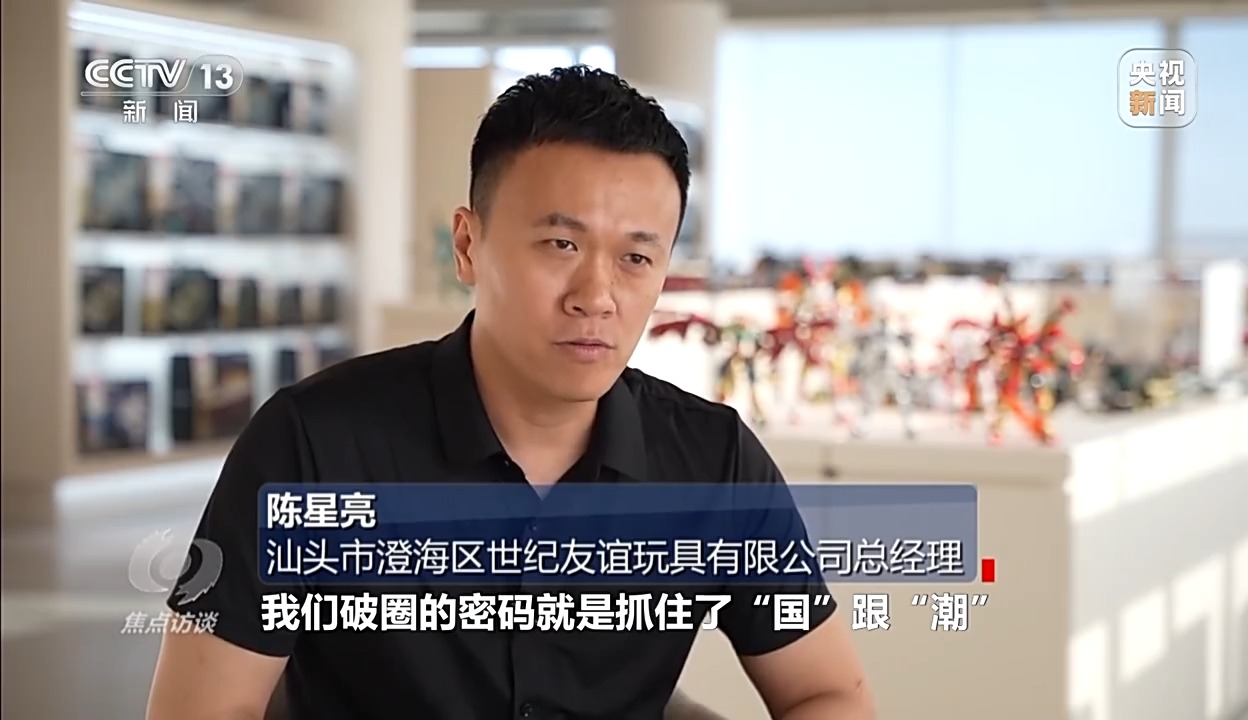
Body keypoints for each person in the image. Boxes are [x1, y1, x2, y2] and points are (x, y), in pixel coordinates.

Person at [146, 65, 874, 720]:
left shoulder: (713, 464)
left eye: (635, 257)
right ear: (468, 246)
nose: (597, 296)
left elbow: (825, 691)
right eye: (561, 245)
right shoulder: (314, 444)